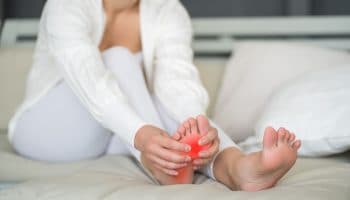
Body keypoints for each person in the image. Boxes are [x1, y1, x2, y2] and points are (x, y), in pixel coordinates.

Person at [8, 0, 301, 191]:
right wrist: (140, 134)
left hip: (112, 137)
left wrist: (196, 124)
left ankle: (237, 167)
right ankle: (163, 166)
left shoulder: (168, 11)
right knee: (120, 60)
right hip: (44, 132)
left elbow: (177, 82)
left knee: (173, 105)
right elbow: (87, 78)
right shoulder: (66, 5)